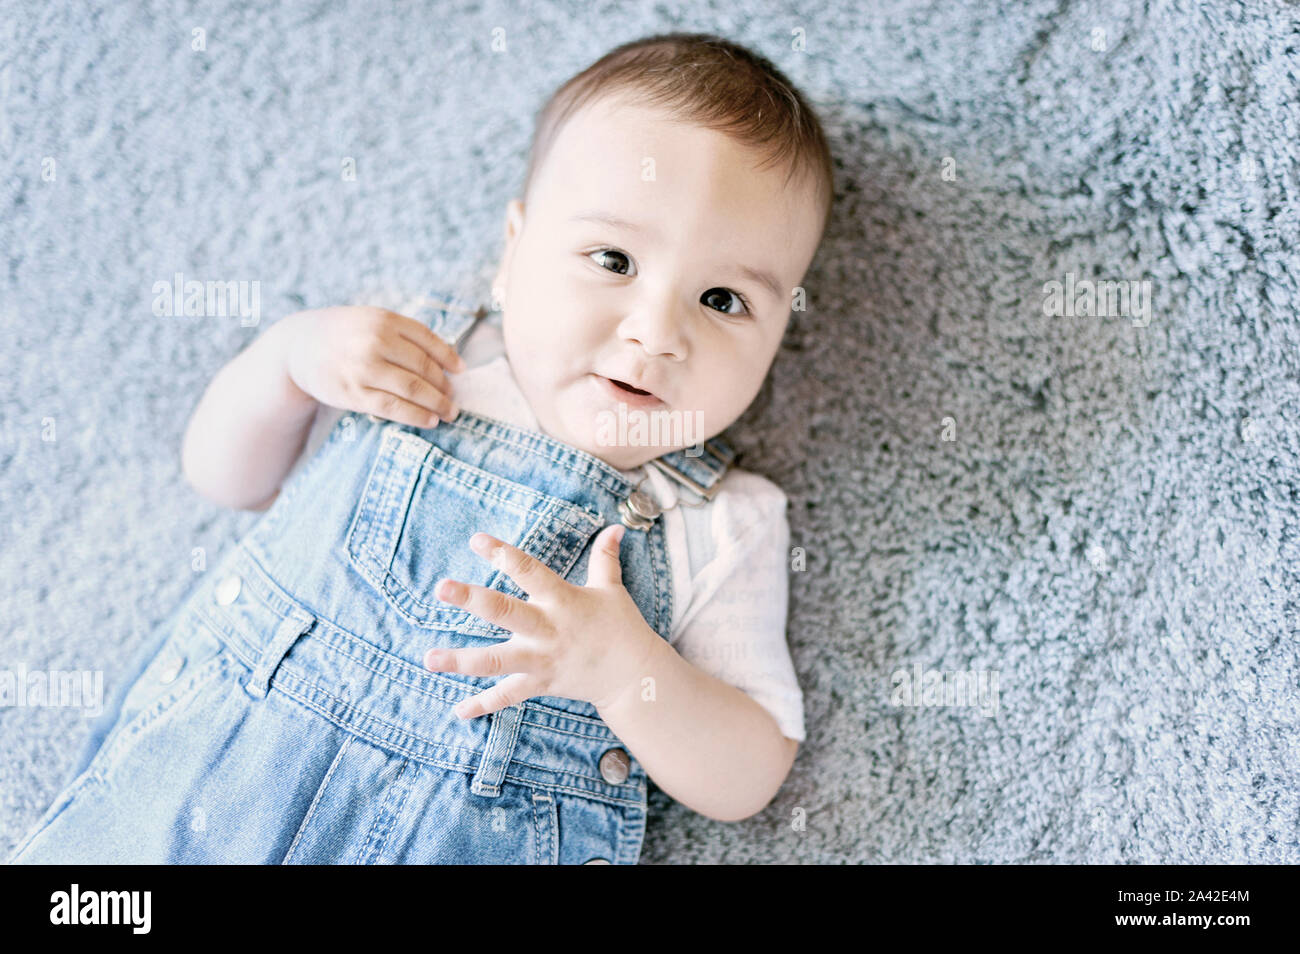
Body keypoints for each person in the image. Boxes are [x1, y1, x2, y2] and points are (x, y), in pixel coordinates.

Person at [8, 31, 833, 864]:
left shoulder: (725, 518)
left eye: (723, 299)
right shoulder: (413, 362)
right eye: (613, 259)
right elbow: (227, 478)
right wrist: (288, 363)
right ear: (512, 255)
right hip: (214, 785)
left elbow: (750, 772)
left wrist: (630, 675)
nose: (656, 333)